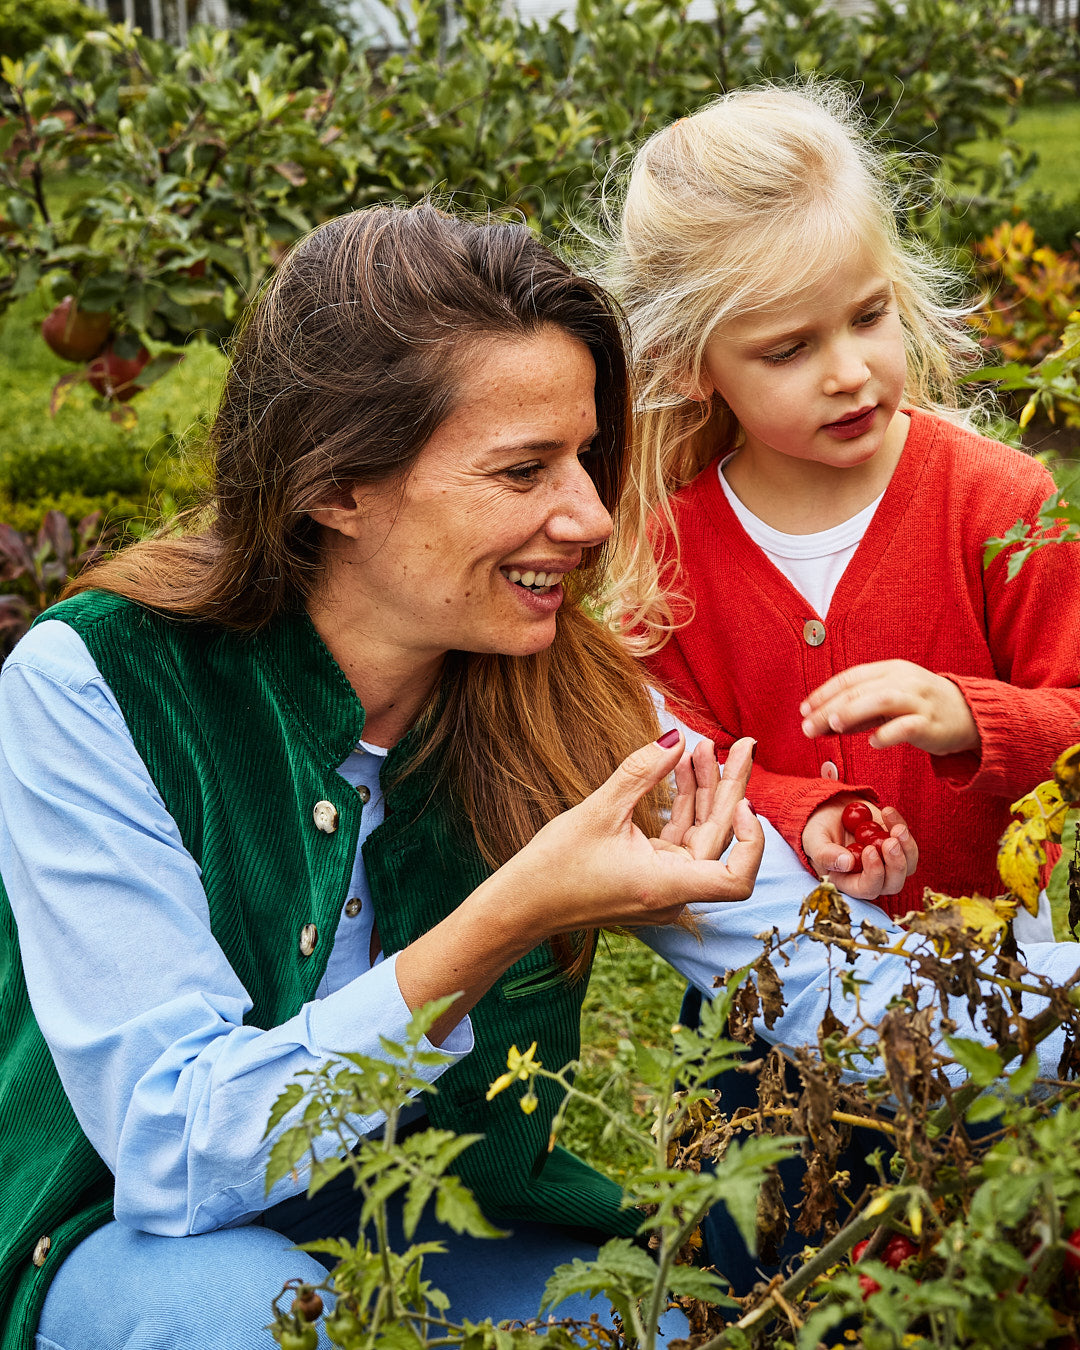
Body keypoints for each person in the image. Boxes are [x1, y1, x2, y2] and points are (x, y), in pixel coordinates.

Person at [2, 203, 1077, 1350]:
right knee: (252, 1319)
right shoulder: (97, 685)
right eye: (524, 471)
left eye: (585, 457)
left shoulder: (571, 700)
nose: (590, 516)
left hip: (468, 1240)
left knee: (663, 1331)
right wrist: (512, 915)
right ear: (336, 487)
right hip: (137, 1255)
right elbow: (171, 1150)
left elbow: (834, 981)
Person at [601, 82, 1080, 923]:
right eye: (788, 349)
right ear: (691, 365)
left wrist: (970, 715)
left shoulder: (1000, 503)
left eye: (868, 315)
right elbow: (682, 755)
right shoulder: (669, 549)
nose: (850, 372)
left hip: (993, 994)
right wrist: (801, 812)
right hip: (775, 992)